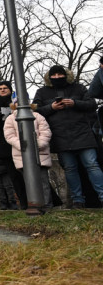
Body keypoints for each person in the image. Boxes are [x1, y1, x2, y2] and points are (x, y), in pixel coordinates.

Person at [33, 65, 103, 208]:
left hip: (83, 133)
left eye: (60, 74)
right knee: (70, 169)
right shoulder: (42, 92)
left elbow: (92, 104)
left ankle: (102, 196)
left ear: (66, 75)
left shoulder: (79, 88)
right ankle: (78, 200)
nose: (57, 77)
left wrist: (74, 103)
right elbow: (36, 111)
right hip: (60, 136)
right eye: (54, 75)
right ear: (49, 77)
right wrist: (51, 108)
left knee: (92, 166)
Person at [0, 79, 27, 208]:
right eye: (0, 88)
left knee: (26, 172)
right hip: (4, 143)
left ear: (10, 89)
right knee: (14, 176)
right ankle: (24, 203)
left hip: (20, 141)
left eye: (5, 88)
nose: (2, 90)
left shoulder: (16, 102)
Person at [3, 104, 54, 212]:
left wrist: (38, 145)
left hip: (40, 154)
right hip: (22, 156)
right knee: (29, 182)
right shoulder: (10, 119)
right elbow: (9, 136)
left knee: (43, 181)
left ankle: (47, 206)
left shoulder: (37, 116)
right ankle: (34, 204)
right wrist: (23, 146)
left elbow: (46, 132)